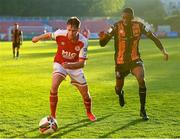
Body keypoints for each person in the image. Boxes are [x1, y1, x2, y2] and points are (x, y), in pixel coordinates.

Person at [99, 8, 169, 120]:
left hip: (135, 59)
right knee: (117, 88)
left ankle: (142, 109)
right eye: (123, 17)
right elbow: (102, 43)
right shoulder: (115, 26)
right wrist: (102, 38)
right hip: (120, 63)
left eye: (128, 18)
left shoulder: (139, 26)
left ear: (132, 18)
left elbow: (153, 37)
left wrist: (163, 51)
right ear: (121, 17)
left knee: (141, 79)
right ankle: (120, 93)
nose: (125, 20)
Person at [32, 17, 96, 122]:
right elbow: (49, 35)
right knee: (54, 86)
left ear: (78, 30)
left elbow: (82, 63)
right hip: (60, 63)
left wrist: (70, 65)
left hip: (75, 66)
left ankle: (89, 112)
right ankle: (53, 116)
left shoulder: (83, 41)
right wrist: (37, 38)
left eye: (73, 30)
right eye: (69, 30)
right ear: (67, 28)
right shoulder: (60, 33)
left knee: (85, 94)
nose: (70, 33)